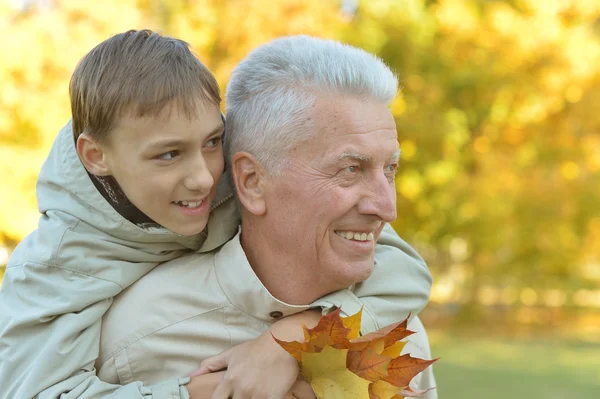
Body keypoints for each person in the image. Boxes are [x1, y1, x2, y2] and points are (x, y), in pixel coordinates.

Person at [0, 31, 432, 399]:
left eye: (211, 142)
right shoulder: (60, 260)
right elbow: (34, 390)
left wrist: (291, 338)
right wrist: (194, 392)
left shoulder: (237, 175)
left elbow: (400, 268)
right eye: (168, 154)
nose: (204, 179)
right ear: (97, 156)